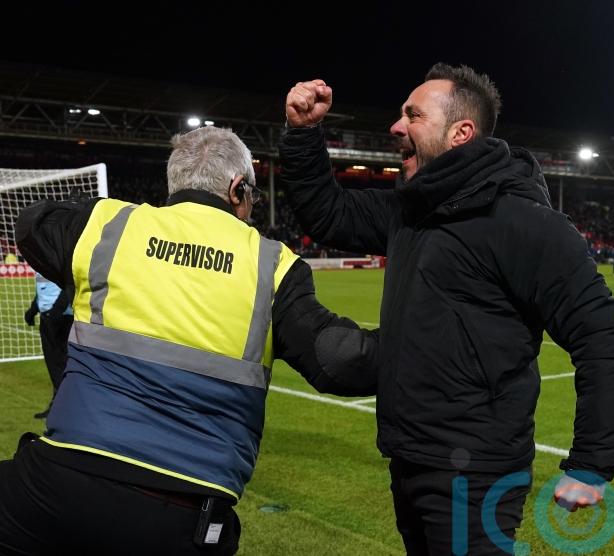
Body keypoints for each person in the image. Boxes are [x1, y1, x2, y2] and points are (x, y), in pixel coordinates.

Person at [280, 64, 614, 554]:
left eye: (413, 115)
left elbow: (605, 339)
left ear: (460, 133)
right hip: (408, 457)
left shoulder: (524, 224)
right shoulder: (410, 211)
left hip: (478, 475)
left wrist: (592, 462)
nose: (396, 126)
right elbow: (328, 212)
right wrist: (304, 135)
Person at [2, 126, 378, 555]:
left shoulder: (110, 224)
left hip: (54, 485)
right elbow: (342, 362)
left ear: (174, 182)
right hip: (179, 514)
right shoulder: (271, 263)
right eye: (252, 196)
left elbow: (32, 222)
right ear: (238, 190)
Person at [24, 272, 74, 419]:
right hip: (51, 316)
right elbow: (43, 289)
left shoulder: (55, 255)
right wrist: (33, 311)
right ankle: (58, 405)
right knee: (57, 364)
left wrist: (55, 312)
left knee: (59, 364)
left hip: (59, 317)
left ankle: (63, 408)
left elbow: (67, 285)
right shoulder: (44, 257)